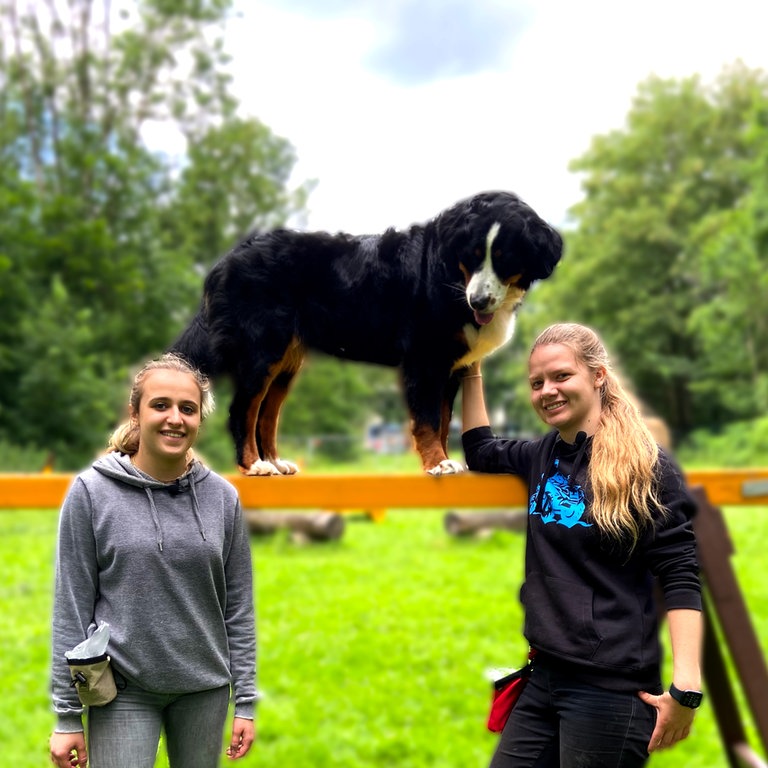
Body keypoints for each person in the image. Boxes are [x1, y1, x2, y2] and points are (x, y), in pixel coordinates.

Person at [461, 323, 703, 768]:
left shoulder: (646, 467)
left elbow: (681, 574)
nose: (547, 391)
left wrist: (686, 688)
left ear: (598, 376)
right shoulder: (542, 453)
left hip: (610, 691)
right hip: (545, 675)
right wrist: (470, 366)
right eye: (537, 384)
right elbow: (480, 450)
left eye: (560, 376)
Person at [49, 353, 258, 768]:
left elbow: (239, 609)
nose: (175, 419)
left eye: (188, 408)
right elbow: (70, 606)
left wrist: (247, 702)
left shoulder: (222, 498)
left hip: (205, 690)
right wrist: (67, 715)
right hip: (123, 687)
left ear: (200, 418)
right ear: (135, 412)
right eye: (160, 405)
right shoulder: (91, 493)